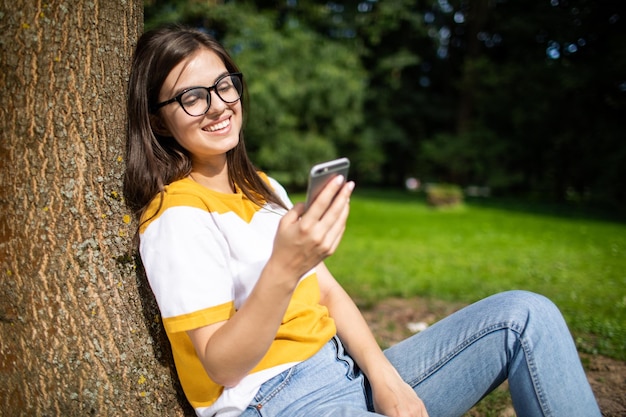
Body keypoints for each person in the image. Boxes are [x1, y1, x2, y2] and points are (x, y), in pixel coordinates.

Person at [123, 25, 602, 417]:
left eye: (224, 85)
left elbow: (328, 292)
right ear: (161, 121)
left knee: (525, 315)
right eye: (192, 97)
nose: (218, 105)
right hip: (279, 402)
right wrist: (285, 268)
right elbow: (222, 367)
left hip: (344, 369)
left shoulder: (263, 188)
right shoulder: (175, 217)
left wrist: (386, 381)